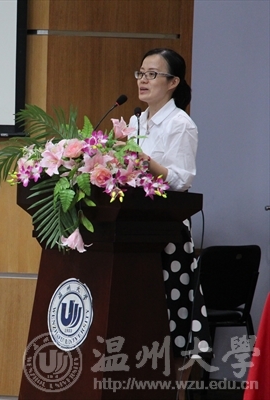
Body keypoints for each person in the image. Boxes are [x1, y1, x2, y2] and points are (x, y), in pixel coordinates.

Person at [128, 48, 211, 400]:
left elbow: (181, 180)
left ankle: (176, 394)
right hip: (133, 232)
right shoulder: (134, 122)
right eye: (141, 73)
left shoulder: (181, 124)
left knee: (174, 319)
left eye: (152, 74)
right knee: (142, 315)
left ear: (173, 82)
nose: (143, 80)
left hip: (167, 234)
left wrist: (143, 160)